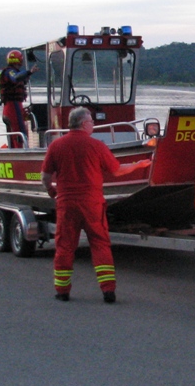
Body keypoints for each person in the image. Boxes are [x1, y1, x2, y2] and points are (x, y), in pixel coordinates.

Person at [41, 107, 151, 303]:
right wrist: (139, 165)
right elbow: (117, 171)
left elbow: (45, 176)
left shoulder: (56, 146)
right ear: (84, 124)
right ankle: (108, 291)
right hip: (92, 204)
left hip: (67, 204)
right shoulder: (97, 146)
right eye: (91, 121)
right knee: (100, 245)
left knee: (65, 247)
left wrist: (51, 190)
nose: (93, 124)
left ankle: (62, 291)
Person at [0, 50, 38, 148]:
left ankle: (13, 150)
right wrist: (29, 72)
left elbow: (18, 80)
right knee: (20, 132)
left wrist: (28, 75)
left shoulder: (7, 72)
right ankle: (21, 151)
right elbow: (16, 78)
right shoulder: (10, 72)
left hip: (9, 107)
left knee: (13, 134)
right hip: (13, 107)